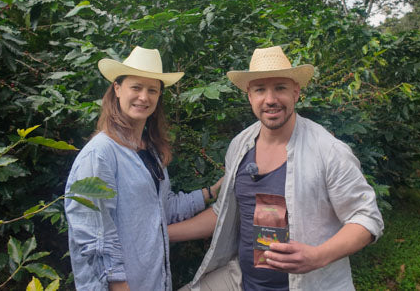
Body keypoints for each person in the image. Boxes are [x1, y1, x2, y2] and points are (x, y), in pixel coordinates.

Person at [169, 45, 384, 290]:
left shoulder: (328, 151)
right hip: (242, 279)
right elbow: (222, 212)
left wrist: (317, 256)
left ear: (296, 92)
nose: (270, 100)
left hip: (306, 284)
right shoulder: (240, 145)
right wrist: (162, 234)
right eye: (260, 89)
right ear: (249, 95)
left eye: (280, 88)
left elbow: (367, 218)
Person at [65, 46, 222, 291]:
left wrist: (211, 191)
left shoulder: (149, 152)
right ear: (117, 89)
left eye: (152, 90)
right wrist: (120, 285)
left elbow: (161, 209)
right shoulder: (100, 154)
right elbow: (93, 233)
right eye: (136, 87)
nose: (144, 97)